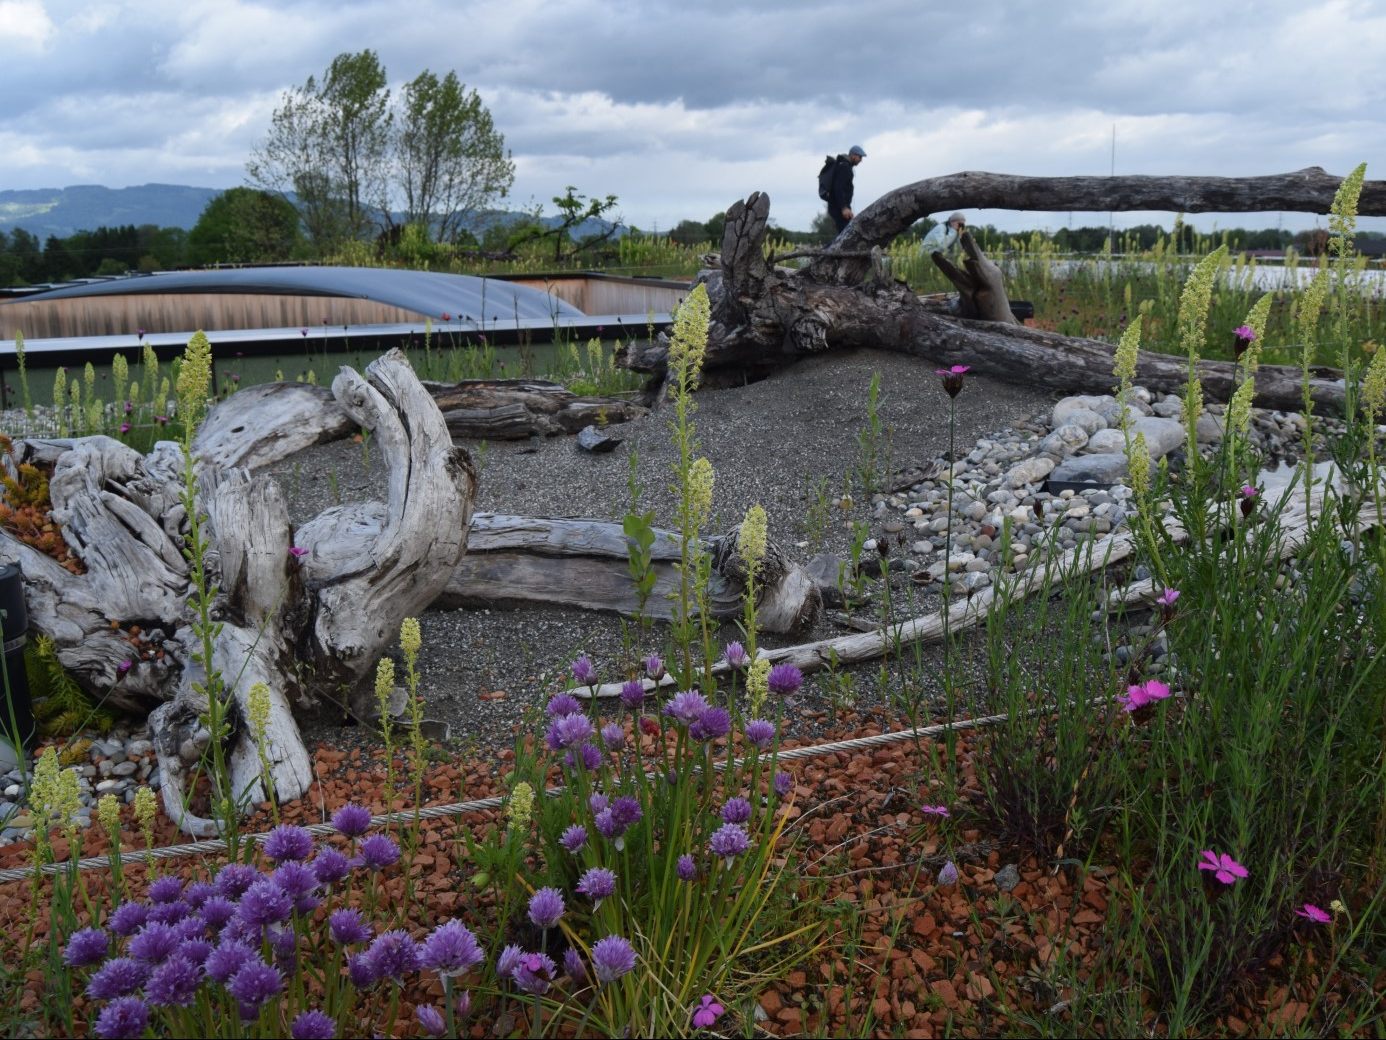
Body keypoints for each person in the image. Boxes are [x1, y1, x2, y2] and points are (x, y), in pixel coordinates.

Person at [826, 145, 866, 234]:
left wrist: (847, 207)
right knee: (845, 235)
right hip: (839, 208)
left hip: (839, 207)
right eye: (860, 157)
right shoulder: (844, 167)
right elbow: (838, 188)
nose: (861, 160)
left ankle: (828, 248)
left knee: (844, 234)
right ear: (853, 155)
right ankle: (826, 248)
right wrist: (844, 208)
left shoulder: (844, 165)